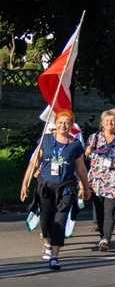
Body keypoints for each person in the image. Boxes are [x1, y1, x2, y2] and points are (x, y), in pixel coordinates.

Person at [21, 110, 91, 270]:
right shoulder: (45, 140)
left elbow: (81, 169)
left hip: (66, 187)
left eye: (67, 123)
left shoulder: (75, 145)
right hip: (46, 186)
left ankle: (54, 256)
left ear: (71, 125)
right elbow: (33, 164)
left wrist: (86, 187)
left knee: (60, 220)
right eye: (60, 122)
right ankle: (47, 242)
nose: (63, 126)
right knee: (45, 220)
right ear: (55, 123)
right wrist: (25, 183)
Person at [85, 109, 115, 251]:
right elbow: (86, 156)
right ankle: (102, 236)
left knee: (109, 211)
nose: (110, 123)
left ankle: (106, 239)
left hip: (114, 181)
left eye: (114, 121)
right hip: (97, 181)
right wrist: (88, 151)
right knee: (99, 211)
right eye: (107, 120)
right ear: (102, 123)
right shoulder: (94, 138)